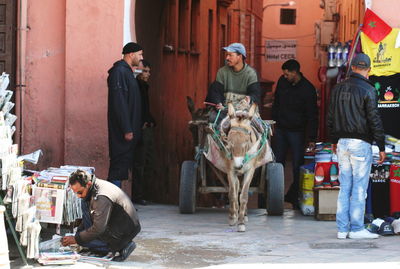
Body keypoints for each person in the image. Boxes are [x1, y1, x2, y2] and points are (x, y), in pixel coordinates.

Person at [327, 53, 385, 239]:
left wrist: (333, 141)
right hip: (361, 144)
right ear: (368, 70)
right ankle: (357, 229)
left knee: (345, 187)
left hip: (342, 143)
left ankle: (342, 229)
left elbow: (330, 118)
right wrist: (381, 145)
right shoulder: (368, 90)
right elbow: (374, 120)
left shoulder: (337, 88)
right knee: (359, 188)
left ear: (352, 68)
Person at [61, 169, 141, 261]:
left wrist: (77, 239)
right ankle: (99, 243)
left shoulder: (100, 198)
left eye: (79, 192)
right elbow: (87, 217)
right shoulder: (92, 188)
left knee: (85, 242)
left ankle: (123, 245)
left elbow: (98, 228)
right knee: (84, 202)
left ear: (88, 185)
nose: (77, 196)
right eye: (75, 192)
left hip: (123, 231)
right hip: (114, 222)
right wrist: (78, 235)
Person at [271, 59, 318, 209]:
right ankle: (274, 197)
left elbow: (312, 115)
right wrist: (273, 122)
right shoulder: (282, 82)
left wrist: (311, 138)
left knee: (298, 166)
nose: (284, 77)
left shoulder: (308, 89)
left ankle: (296, 198)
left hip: (297, 132)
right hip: (280, 130)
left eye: (287, 74)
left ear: (295, 72)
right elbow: (276, 102)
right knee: (277, 164)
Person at [107, 42, 143, 187]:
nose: (141, 58)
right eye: (140, 54)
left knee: (122, 165)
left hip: (128, 131)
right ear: (131, 54)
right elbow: (119, 102)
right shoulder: (119, 72)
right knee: (118, 166)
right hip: (122, 131)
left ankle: (116, 202)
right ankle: (112, 201)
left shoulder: (126, 72)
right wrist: (127, 129)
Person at [205, 42, 261, 110]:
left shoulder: (251, 73)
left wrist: (249, 99)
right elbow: (216, 92)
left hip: (245, 112)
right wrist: (218, 102)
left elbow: (255, 94)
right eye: (227, 55)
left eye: (230, 55)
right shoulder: (222, 72)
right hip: (225, 111)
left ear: (239, 56)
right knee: (211, 118)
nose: (227, 58)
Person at [132, 60, 156, 205]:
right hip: (141, 129)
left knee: (147, 162)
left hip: (146, 127)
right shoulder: (137, 87)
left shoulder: (144, 87)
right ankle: (137, 195)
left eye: (148, 71)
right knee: (139, 163)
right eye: (145, 71)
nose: (147, 74)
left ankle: (142, 194)